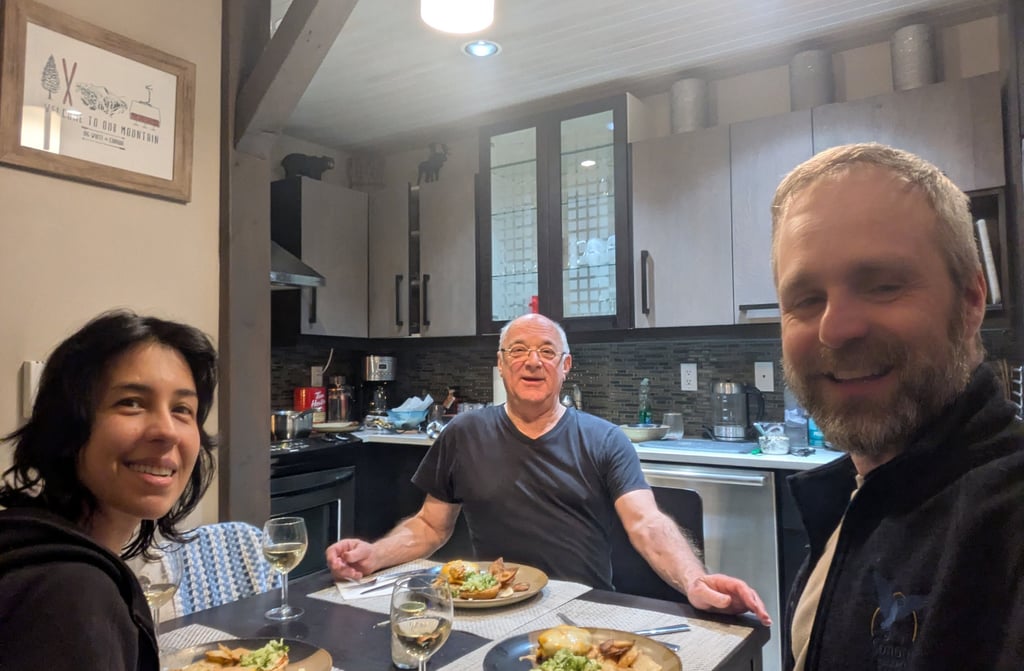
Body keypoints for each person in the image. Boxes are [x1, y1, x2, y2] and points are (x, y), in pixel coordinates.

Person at [327, 312, 771, 625]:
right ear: (501, 364)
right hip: (491, 611)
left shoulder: (604, 439)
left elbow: (647, 523)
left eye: (546, 351)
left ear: (565, 367)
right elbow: (429, 526)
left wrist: (694, 580)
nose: (532, 361)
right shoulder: (463, 434)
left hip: (585, 609)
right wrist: (374, 556)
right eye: (517, 350)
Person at [770, 143, 1024, 670]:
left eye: (883, 286)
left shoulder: (1006, 519)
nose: (835, 329)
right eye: (806, 300)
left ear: (971, 301)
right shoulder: (858, 496)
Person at [0, 310, 218, 671]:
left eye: (182, 409)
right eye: (131, 402)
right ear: (68, 424)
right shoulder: (71, 592)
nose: (167, 431)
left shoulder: (34, 548)